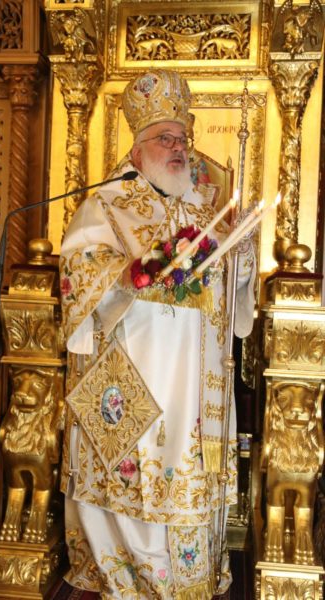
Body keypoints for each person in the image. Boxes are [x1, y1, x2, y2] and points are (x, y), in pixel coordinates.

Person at [59, 69, 255, 599]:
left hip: (196, 388)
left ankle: (188, 583)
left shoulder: (207, 208)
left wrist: (241, 253)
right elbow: (78, 270)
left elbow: (235, 289)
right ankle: (129, 584)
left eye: (182, 138)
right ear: (137, 149)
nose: (178, 148)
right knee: (136, 484)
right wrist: (128, 274)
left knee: (187, 480)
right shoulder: (107, 204)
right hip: (136, 384)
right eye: (165, 138)